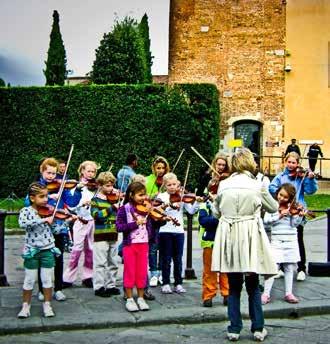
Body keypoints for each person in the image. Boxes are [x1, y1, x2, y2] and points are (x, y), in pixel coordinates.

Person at [211, 148, 278, 342]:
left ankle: (234, 328)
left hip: (230, 234)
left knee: (233, 285)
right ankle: (258, 327)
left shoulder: (224, 184)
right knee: (253, 284)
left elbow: (216, 212)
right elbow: (273, 206)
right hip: (249, 234)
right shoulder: (256, 184)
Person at [24, 158, 82, 302]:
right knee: (41, 258)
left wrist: (79, 190)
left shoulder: (60, 185)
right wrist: (48, 196)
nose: (51, 176)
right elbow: (27, 202)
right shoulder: (37, 187)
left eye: (54, 173)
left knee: (59, 257)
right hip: (42, 227)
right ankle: (42, 290)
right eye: (48, 173)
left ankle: (58, 289)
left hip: (59, 225)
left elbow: (72, 202)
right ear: (42, 171)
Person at [269, 151, 318, 282]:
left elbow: (311, 191)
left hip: (297, 211)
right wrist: (283, 194)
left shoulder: (302, 176)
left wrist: (310, 179)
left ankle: (301, 268)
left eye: (294, 163)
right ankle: (280, 268)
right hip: (283, 211)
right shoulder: (280, 176)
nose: (291, 165)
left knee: (298, 239)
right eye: (289, 162)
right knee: (280, 240)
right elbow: (271, 188)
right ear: (286, 162)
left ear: (298, 163)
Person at [17, 182, 60, 318]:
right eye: (42, 196)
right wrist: (43, 220)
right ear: (32, 198)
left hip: (47, 249)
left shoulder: (49, 211)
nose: (46, 199)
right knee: (29, 279)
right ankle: (25, 306)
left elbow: (54, 230)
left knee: (47, 279)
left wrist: (64, 221)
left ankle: (47, 305)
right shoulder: (26, 211)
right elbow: (23, 223)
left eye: (47, 196)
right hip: (32, 250)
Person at [261, 183, 304, 305]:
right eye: (280, 195)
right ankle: (266, 293)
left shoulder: (292, 207)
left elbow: (294, 224)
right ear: (277, 193)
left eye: (285, 197)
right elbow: (266, 222)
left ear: (290, 199)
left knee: (289, 267)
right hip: (277, 240)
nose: (282, 199)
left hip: (291, 240)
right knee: (273, 268)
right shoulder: (272, 207)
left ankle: (288, 293)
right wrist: (279, 216)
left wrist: (298, 216)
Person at [116, 182, 155, 312]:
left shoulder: (145, 208)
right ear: (131, 195)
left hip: (144, 244)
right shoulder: (124, 208)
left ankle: (140, 297)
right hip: (130, 245)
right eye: (140, 195)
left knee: (142, 272)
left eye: (144, 194)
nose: (144, 198)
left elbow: (154, 224)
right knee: (130, 271)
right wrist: (134, 224)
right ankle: (129, 298)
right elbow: (119, 227)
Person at [157, 172, 199, 294]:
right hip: (165, 231)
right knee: (166, 259)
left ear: (178, 184)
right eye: (169, 185)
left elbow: (191, 211)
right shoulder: (162, 196)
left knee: (178, 259)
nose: (172, 187)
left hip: (179, 231)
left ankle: (178, 283)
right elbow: (157, 212)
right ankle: (165, 282)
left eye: (174, 184)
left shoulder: (181, 197)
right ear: (165, 185)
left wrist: (196, 201)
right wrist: (169, 206)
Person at [63, 161, 99, 289]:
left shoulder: (96, 187)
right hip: (80, 220)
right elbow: (72, 205)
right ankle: (68, 277)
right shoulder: (76, 186)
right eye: (88, 171)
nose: (91, 174)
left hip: (93, 221)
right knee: (76, 250)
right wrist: (81, 204)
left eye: (93, 172)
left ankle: (87, 276)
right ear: (82, 171)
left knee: (90, 250)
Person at [199, 182, 229, 308]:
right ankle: (208, 295)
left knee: (225, 270)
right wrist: (219, 219)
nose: (214, 195)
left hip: (224, 240)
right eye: (213, 192)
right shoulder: (204, 205)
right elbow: (203, 221)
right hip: (209, 241)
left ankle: (227, 294)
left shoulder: (226, 204)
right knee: (209, 271)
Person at [90, 171, 120, 297]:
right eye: (107, 186)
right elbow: (96, 215)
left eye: (112, 185)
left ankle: (111, 285)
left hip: (113, 233)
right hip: (101, 235)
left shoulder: (115, 198)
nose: (110, 188)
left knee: (113, 262)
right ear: (100, 185)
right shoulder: (95, 200)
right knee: (100, 262)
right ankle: (99, 286)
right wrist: (112, 208)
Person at [145, 156, 170, 287]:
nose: (160, 171)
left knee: (163, 248)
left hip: (166, 218)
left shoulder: (169, 180)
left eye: (163, 168)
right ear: (154, 168)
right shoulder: (148, 180)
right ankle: (153, 273)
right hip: (153, 218)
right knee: (153, 248)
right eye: (158, 168)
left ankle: (161, 272)